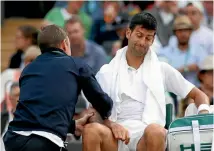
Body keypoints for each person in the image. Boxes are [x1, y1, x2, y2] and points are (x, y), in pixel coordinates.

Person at [82, 12, 210, 151]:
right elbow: (93, 112)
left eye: (148, 38)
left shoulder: (162, 69)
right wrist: (112, 125)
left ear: (153, 40)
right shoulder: (106, 71)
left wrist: (204, 113)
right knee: (91, 130)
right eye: (139, 35)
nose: (143, 42)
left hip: (146, 136)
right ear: (128, 33)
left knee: (156, 131)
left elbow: (199, 95)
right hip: (114, 135)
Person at [3, 24, 113, 151]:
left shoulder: (28, 69)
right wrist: (108, 113)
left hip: (13, 139)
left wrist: (72, 126)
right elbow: (100, 100)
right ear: (64, 43)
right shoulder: (76, 65)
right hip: (44, 141)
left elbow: (36, 113)